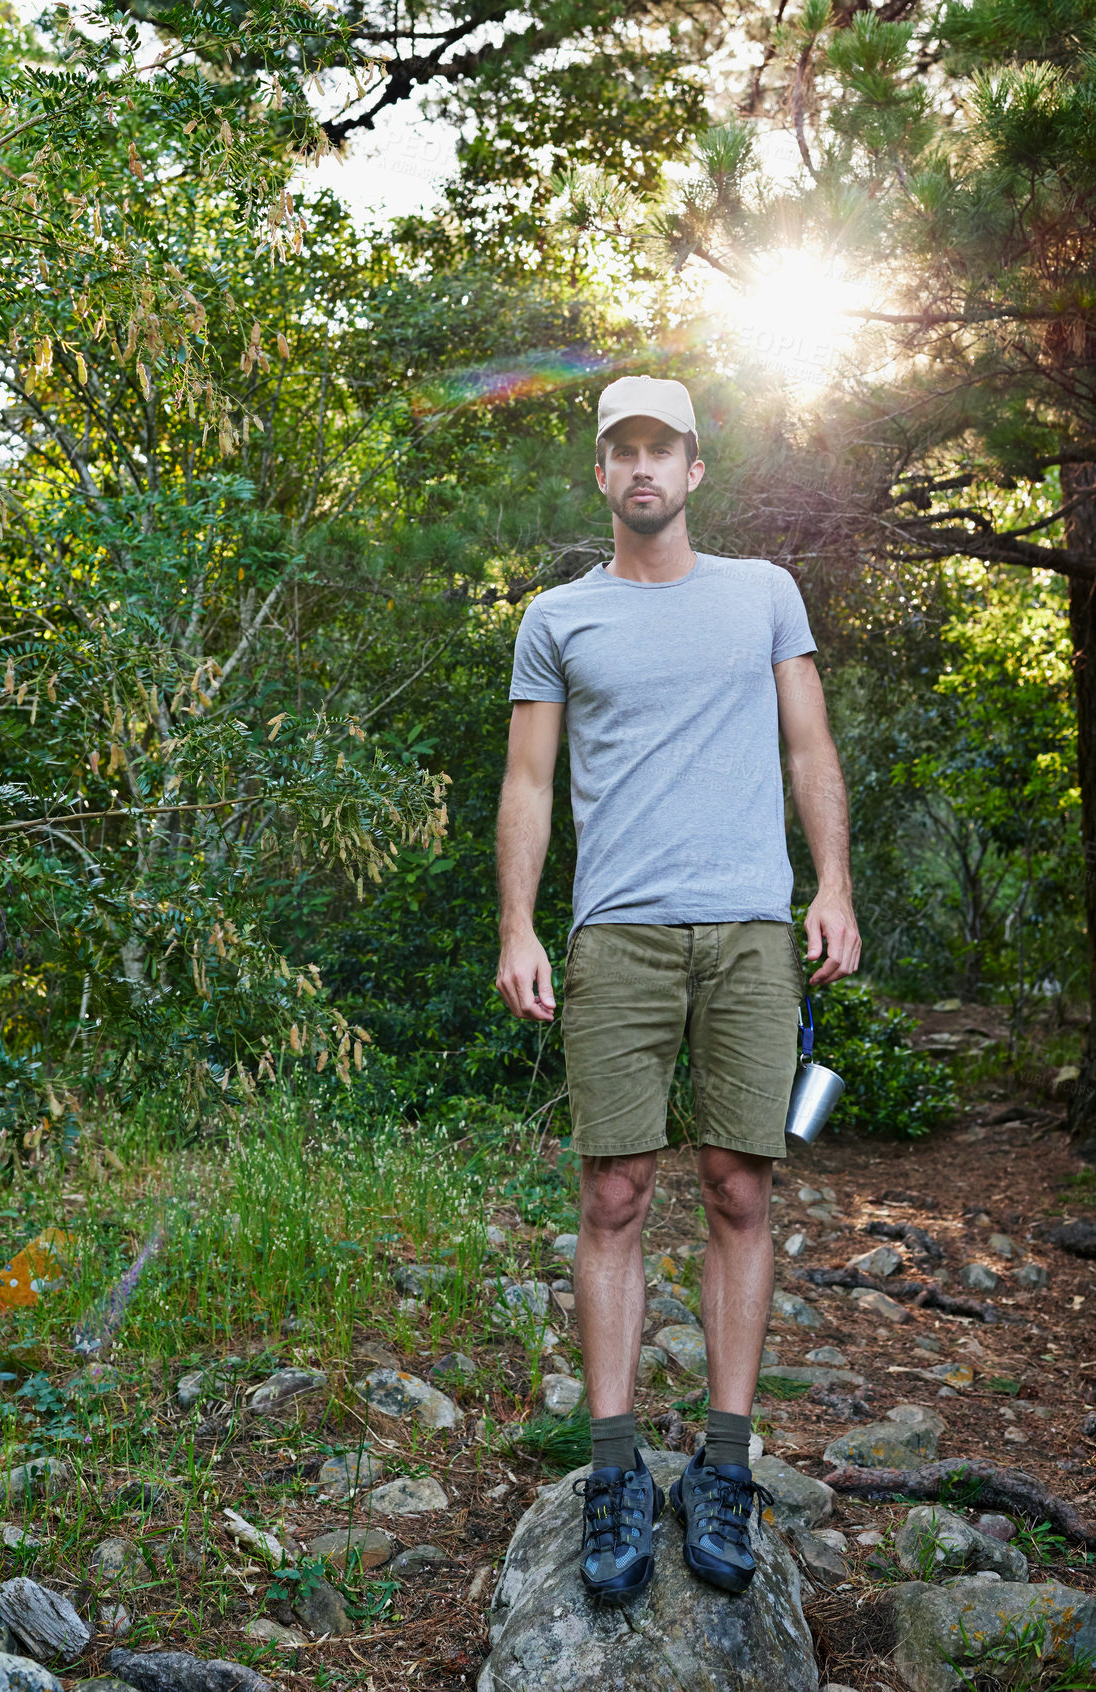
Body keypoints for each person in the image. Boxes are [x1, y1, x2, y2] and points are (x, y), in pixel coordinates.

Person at [495, 374, 860, 1605]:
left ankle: (720, 1463)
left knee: (737, 1184)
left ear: (695, 469)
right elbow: (531, 785)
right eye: (621, 452)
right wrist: (518, 925)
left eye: (663, 449)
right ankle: (610, 1470)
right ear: (600, 474)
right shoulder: (557, 617)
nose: (642, 469)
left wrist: (835, 887)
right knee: (613, 1188)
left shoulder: (762, 595)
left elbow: (808, 745)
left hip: (754, 926)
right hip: (618, 937)